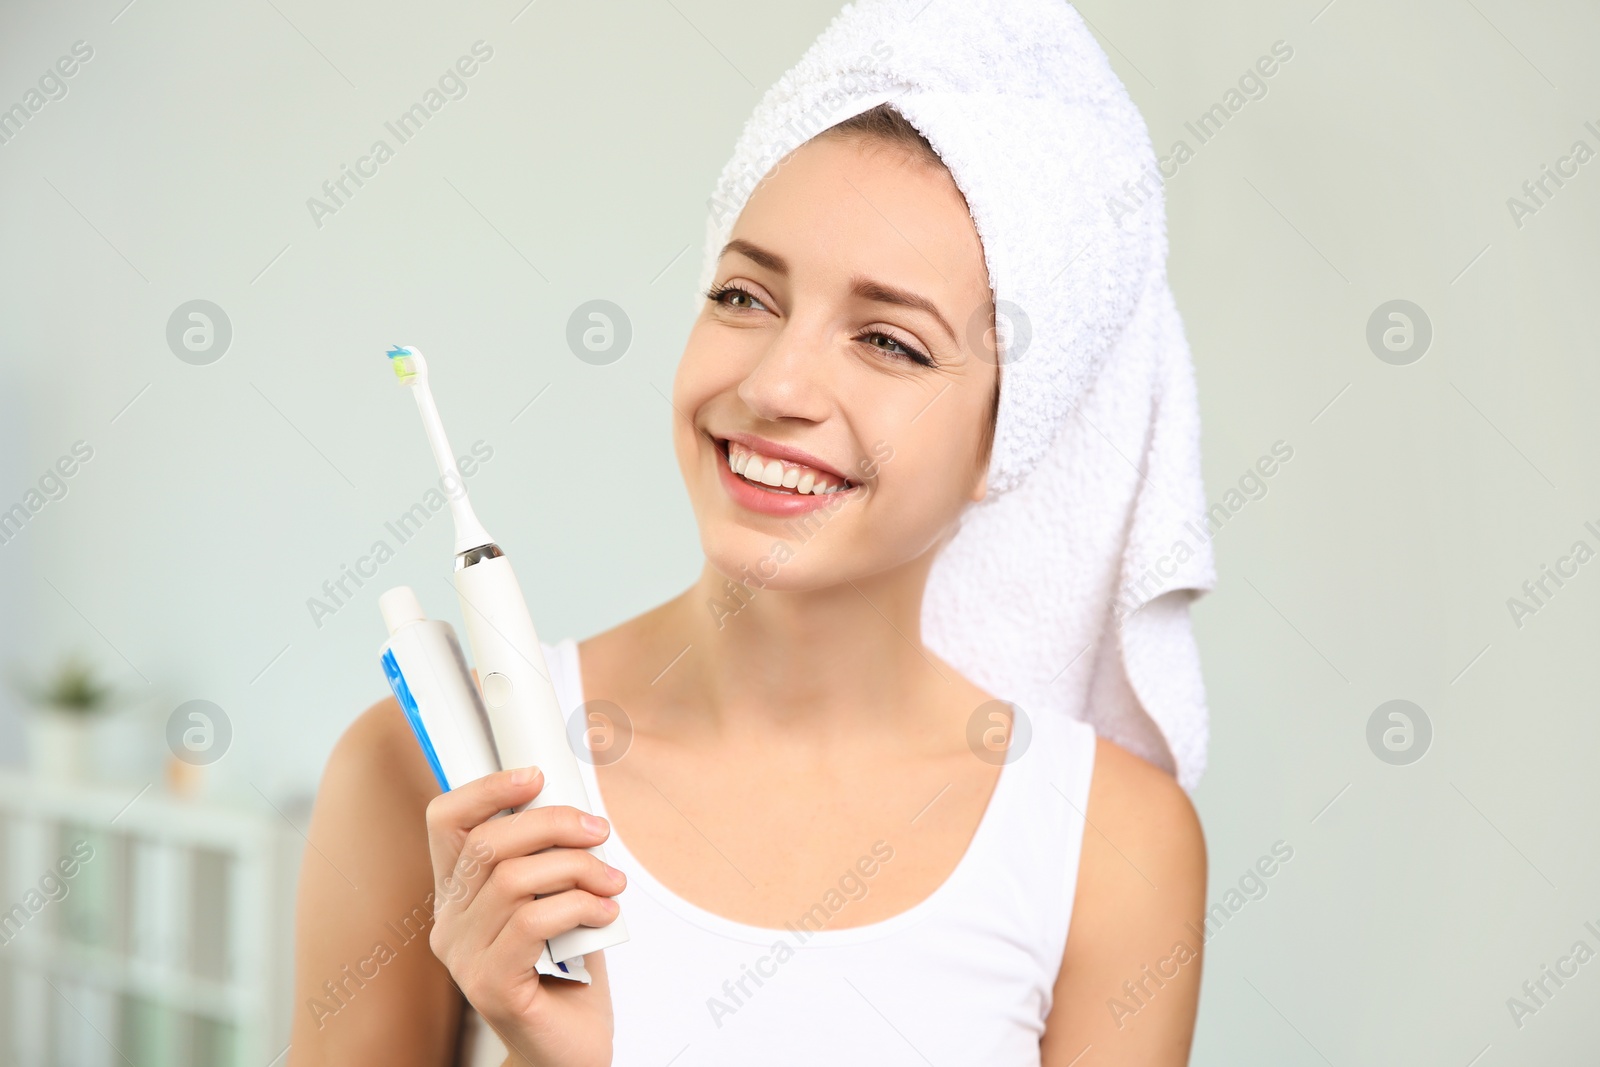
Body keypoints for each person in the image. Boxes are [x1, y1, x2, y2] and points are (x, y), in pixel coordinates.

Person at [290, 4, 1212, 1065]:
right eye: (743, 294)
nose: (774, 384)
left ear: (1009, 436)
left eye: (888, 342)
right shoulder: (431, 776)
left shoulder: (1113, 844)